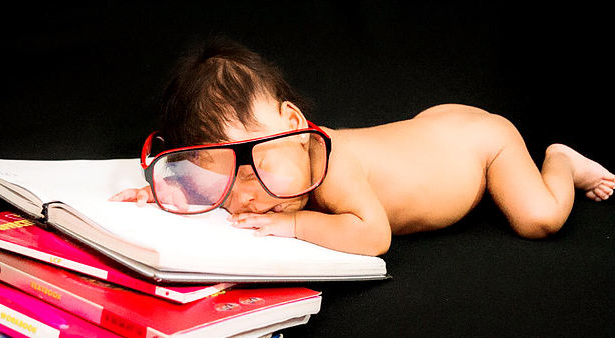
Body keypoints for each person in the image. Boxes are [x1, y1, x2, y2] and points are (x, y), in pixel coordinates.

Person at [110, 40, 614, 256]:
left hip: (483, 148)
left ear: (296, 126)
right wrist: (174, 189)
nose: (246, 197)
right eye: (221, 180)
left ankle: (560, 162)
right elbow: (222, 173)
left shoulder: (333, 168)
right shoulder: (266, 164)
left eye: (256, 167)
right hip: (433, 130)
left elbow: (374, 235)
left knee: (538, 219)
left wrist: (295, 226)